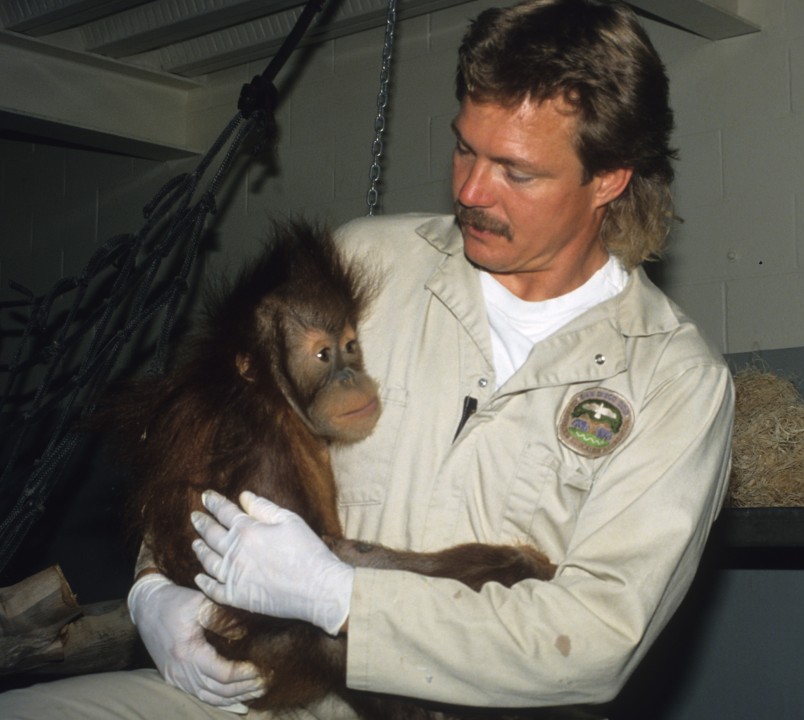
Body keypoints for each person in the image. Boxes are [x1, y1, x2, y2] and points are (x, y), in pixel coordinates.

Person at [2, 0, 734, 717]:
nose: (471, 191)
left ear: (609, 178)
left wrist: (339, 595)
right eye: (464, 148)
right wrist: (155, 591)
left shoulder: (673, 383)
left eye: (516, 171)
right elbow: (216, 443)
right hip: (275, 689)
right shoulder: (363, 264)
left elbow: (598, 642)